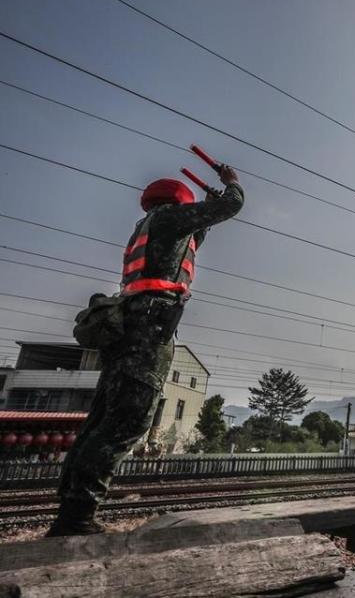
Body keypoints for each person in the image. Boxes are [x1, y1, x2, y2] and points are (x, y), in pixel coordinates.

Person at [47, 164, 244, 537]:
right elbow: (230, 207)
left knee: (100, 423)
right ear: (178, 201)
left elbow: (196, 234)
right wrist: (231, 183)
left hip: (129, 328)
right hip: (147, 331)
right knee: (128, 422)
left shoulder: (150, 227)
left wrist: (205, 206)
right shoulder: (169, 219)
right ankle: (76, 519)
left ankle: (70, 513)